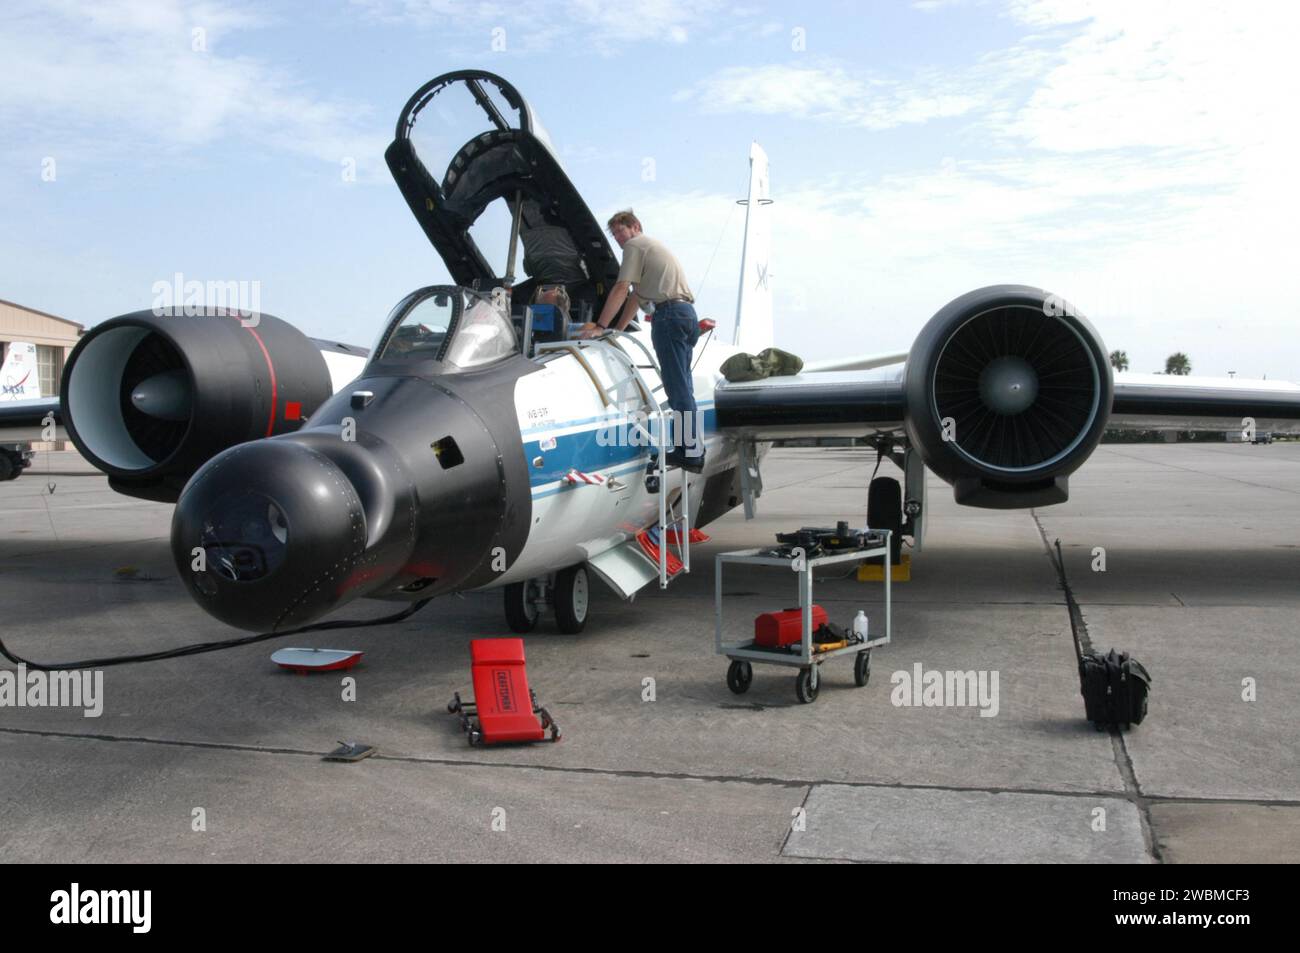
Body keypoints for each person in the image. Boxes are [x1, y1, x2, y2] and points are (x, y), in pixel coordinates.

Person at [583, 209, 704, 472]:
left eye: (620, 230)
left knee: (677, 389)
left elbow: (621, 287)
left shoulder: (635, 246)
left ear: (635, 226)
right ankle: (692, 449)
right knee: (684, 388)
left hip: (668, 316)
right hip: (685, 315)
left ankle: (690, 453)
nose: (617, 237)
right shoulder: (651, 249)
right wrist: (617, 329)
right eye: (613, 233)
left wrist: (600, 326)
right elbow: (636, 297)